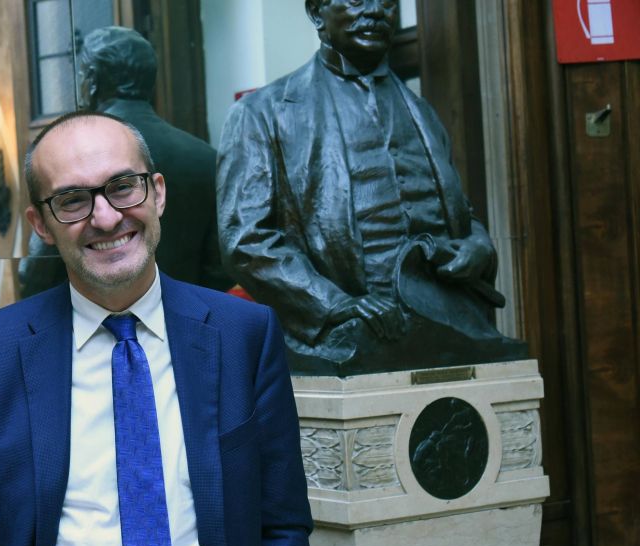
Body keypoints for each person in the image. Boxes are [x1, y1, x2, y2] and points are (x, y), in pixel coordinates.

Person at [0, 111, 314, 546]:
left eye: (122, 186)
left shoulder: (243, 337)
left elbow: (281, 530)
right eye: (72, 200)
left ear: (156, 192)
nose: (106, 217)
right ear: (41, 224)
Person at [217, 0, 525, 375]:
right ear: (316, 12)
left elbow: (462, 213)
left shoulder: (422, 111)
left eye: (387, 1)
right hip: (351, 329)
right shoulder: (262, 114)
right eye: (357, 0)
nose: (375, 11)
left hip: (449, 318)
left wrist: (478, 246)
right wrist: (334, 304)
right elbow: (246, 240)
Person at [18, 26, 232, 298]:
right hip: (183, 312)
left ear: (91, 80)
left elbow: (37, 272)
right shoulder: (206, 157)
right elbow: (221, 267)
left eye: (81, 75)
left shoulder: (70, 157)